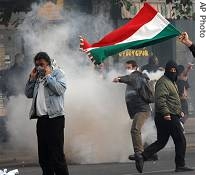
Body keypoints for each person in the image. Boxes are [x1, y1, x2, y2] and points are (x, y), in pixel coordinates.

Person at [135, 60, 194, 173]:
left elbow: (172, 100)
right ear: (168, 70)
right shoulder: (164, 82)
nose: (173, 72)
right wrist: (166, 113)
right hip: (167, 116)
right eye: (172, 70)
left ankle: (142, 156)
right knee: (180, 140)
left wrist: (179, 111)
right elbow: (161, 99)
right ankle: (180, 165)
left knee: (161, 142)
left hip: (167, 115)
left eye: (174, 71)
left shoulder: (171, 81)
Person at [25, 52, 69, 175]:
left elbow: (60, 90)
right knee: (44, 156)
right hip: (42, 120)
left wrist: (49, 76)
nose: (39, 67)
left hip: (55, 119)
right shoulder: (37, 77)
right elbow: (28, 94)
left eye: (42, 64)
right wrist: (31, 79)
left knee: (56, 155)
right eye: (37, 65)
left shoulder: (57, 73)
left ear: (48, 64)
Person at [113, 60, 157, 166]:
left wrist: (119, 79)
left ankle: (139, 153)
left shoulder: (136, 76)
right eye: (126, 68)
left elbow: (129, 78)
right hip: (139, 110)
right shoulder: (138, 78)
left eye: (129, 67)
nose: (127, 70)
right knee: (143, 131)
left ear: (135, 67)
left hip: (142, 110)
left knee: (135, 129)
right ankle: (150, 153)